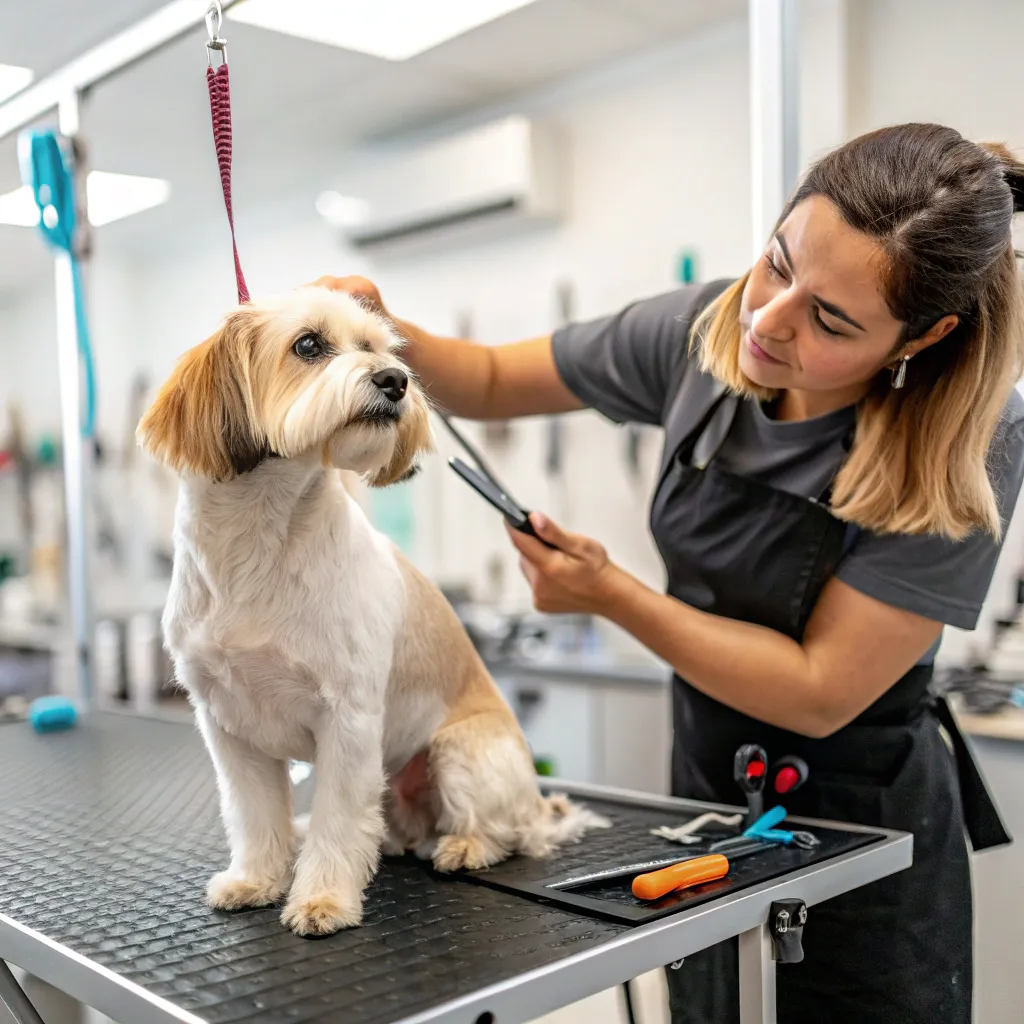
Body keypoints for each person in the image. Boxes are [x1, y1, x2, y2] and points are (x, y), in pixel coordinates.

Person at [316, 123, 1024, 1023]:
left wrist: (610, 596)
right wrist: (376, 326)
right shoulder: (704, 331)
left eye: (832, 320)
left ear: (922, 338)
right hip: (710, 791)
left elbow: (818, 690)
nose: (768, 319)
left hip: (866, 824)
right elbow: (492, 380)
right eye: (777, 262)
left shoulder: (972, 438)